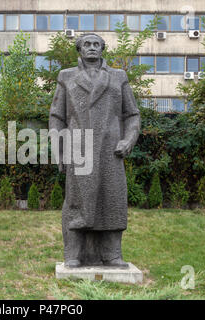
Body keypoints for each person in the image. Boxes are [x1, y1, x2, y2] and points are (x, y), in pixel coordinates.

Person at [49, 33, 141, 268]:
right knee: (77, 202)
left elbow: (132, 115)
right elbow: (57, 117)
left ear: (102, 49)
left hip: (111, 151)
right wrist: (58, 150)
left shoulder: (118, 77)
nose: (92, 48)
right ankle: (74, 253)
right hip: (80, 149)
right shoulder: (66, 76)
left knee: (112, 199)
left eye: (96, 44)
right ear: (79, 49)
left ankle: (111, 254)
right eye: (87, 44)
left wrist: (128, 141)